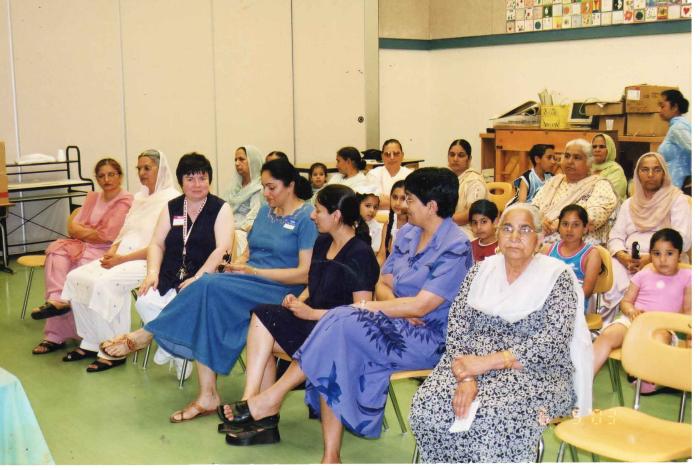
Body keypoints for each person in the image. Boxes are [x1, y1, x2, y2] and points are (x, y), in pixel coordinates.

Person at [277, 168, 472, 463]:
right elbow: (381, 282)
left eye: (410, 200)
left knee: (340, 322)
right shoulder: (408, 233)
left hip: (429, 338)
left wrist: (370, 308)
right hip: (393, 321)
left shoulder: (455, 246)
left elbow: (422, 307)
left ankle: (275, 398)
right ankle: (329, 453)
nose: (404, 206)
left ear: (431, 206)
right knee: (337, 334)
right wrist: (396, 305)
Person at [102, 158, 316, 421]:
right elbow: (251, 251)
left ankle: (149, 333)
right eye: (264, 188)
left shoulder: (306, 217)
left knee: (206, 285)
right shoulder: (264, 212)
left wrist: (254, 272)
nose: (266, 194)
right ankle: (208, 395)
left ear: (290, 185)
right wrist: (239, 265)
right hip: (248, 280)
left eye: (272, 188)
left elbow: (306, 272)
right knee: (206, 298)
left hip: (279, 287)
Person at [409, 203, 592, 463]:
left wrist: (486, 363)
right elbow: (458, 328)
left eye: (525, 229)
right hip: (469, 367)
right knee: (428, 406)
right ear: (498, 234)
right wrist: (466, 378)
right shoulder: (479, 272)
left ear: (539, 239)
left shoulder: (556, 278)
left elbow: (551, 342)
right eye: (507, 228)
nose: (515, 237)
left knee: (491, 416)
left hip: (534, 374)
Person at [219, 185, 380, 445]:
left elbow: (360, 315)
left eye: (318, 211)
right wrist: (299, 299)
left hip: (339, 332)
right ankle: (251, 402)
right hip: (311, 319)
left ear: (336, 216)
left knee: (315, 336)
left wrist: (311, 312)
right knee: (263, 316)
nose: (313, 216)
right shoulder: (323, 242)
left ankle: (261, 412)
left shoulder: (360, 254)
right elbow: (313, 284)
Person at [92, 153, 233, 372]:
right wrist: (152, 273)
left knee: (179, 303)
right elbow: (156, 244)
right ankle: (175, 352)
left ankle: (151, 338)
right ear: (181, 182)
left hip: (205, 277)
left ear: (210, 180)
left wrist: (197, 278)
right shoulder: (172, 207)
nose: (197, 184)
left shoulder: (220, 208)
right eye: (190, 179)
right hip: (172, 272)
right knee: (145, 300)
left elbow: (222, 249)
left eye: (202, 178)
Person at [59, 150, 179, 367]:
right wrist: (113, 251)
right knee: (77, 277)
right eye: (139, 168)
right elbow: (125, 230)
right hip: (122, 254)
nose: (142, 173)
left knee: (104, 283)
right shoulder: (140, 197)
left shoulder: (171, 199)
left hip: (148, 260)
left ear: (160, 169)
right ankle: (91, 342)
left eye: (147, 168)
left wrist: (121, 259)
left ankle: (115, 348)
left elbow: (160, 244)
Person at [30, 159, 133, 357]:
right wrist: (88, 231)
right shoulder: (92, 197)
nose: (106, 179)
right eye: (101, 175)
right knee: (56, 252)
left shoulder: (125, 200)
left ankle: (81, 334)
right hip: (83, 246)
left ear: (120, 176)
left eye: (111, 174)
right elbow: (72, 226)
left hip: (108, 251)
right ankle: (57, 304)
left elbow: (108, 235)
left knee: (76, 273)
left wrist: (83, 231)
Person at [592, 229, 691, 393]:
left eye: (669, 253)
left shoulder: (688, 276)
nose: (662, 259)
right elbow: (626, 302)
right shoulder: (643, 274)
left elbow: (689, 313)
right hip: (632, 321)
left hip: (663, 327)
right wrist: (631, 311)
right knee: (608, 334)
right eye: (657, 253)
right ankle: (584, 381)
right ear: (650, 254)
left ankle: (647, 377)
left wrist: (690, 339)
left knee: (658, 339)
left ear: (679, 254)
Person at [599, 152, 691, 322]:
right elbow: (615, 237)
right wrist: (624, 257)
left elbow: (683, 240)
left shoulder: (676, 200)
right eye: (645, 170)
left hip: (663, 259)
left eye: (656, 170)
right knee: (610, 278)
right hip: (628, 260)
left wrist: (650, 259)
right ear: (637, 174)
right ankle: (611, 327)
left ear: (664, 173)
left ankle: (641, 327)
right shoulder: (629, 203)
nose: (650, 175)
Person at [531, 138, 618, 245]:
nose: (570, 161)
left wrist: (561, 224)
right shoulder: (553, 182)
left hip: (579, 247)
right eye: (567, 156)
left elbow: (595, 216)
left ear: (589, 163)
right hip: (541, 240)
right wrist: (540, 221)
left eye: (577, 158)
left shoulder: (599, 184)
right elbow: (533, 208)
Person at [543, 205, 601, 312]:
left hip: (574, 307)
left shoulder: (591, 255)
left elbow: (586, 292)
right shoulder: (548, 250)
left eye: (576, 225)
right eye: (565, 224)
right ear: (559, 227)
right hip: (547, 304)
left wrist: (561, 303)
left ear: (585, 228)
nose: (569, 229)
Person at [224, 145, 264, 257]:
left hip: (245, 234)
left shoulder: (260, 188)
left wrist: (230, 228)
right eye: (235, 160)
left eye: (241, 159)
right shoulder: (234, 187)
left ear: (253, 161)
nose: (237, 163)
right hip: (229, 229)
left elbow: (252, 220)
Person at [447, 139, 487, 235]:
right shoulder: (445, 177)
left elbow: (471, 214)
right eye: (452, 155)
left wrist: (442, 221)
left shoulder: (475, 181)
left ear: (469, 159)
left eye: (461, 155)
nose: (455, 159)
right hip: (448, 226)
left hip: (468, 229)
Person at [657, 89, 691, 189]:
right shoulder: (677, 125)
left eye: (663, 106)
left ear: (675, 107)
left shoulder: (678, 127)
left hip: (678, 185)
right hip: (674, 184)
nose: (660, 110)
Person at [367, 139, 412, 210]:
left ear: (402, 155)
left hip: (404, 217)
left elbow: (413, 202)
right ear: (382, 156)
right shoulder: (373, 174)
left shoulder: (410, 175)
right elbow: (374, 201)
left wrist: (385, 200)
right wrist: (402, 200)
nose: (392, 157)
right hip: (379, 217)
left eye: (396, 154)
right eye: (387, 154)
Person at [376, 180, 407, 266]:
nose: (397, 203)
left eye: (403, 198)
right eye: (394, 197)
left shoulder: (417, 226)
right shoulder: (388, 225)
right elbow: (382, 256)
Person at [591, 133, 627, 201]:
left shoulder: (616, 170)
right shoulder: (587, 168)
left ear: (609, 149)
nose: (597, 150)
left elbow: (609, 197)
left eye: (602, 147)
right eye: (594, 147)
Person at [357, 190, 383, 254]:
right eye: (368, 206)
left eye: (375, 207)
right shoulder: (350, 224)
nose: (372, 210)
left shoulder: (378, 228)